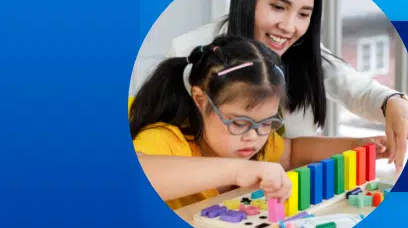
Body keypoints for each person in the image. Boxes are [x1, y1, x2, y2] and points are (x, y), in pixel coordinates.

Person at [152, 0, 408, 171]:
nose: (289, 27)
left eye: (304, 14)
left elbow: (356, 90)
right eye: (278, 7)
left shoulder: (303, 53)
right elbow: (159, 163)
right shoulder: (190, 53)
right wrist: (236, 172)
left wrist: (393, 102)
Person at [130, 35, 388, 210]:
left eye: (266, 123)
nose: (253, 136)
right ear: (200, 100)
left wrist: (355, 145)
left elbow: (293, 151)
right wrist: (237, 170)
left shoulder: (254, 140)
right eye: (238, 122)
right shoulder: (166, 139)